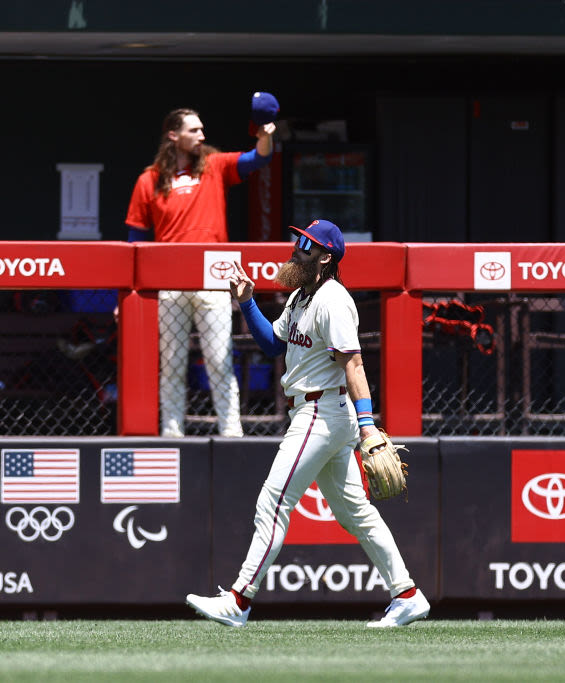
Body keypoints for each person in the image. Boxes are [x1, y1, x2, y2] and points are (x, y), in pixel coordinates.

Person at [185, 219, 429, 628]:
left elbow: (353, 364)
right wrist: (247, 303)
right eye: (299, 240)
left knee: (273, 502)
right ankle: (406, 595)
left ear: (326, 257)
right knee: (356, 513)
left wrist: (367, 425)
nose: (297, 248)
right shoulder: (302, 296)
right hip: (318, 412)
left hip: (321, 413)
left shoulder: (333, 299)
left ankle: (239, 600)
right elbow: (273, 344)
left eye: (307, 244)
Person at [125, 107, 276, 438]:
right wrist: (124, 294)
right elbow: (135, 239)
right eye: (194, 130)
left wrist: (265, 135)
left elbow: (258, 159)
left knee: (220, 361)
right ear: (173, 136)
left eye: (202, 129)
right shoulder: (148, 179)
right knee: (172, 365)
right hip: (169, 282)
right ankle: (172, 433)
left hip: (213, 280)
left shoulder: (214, 165)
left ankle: (231, 433)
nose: (202, 136)